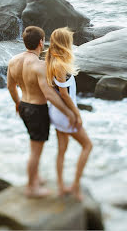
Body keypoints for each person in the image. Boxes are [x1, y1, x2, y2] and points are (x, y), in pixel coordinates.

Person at [7, 25, 76, 198]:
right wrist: (68, 112)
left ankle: (35, 177)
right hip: (37, 109)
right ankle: (31, 188)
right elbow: (49, 95)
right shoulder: (39, 66)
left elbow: (10, 86)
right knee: (36, 151)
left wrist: (17, 103)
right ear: (41, 42)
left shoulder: (13, 60)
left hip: (24, 105)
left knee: (33, 145)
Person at [46, 27, 93, 201]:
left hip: (57, 113)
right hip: (65, 114)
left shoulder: (52, 61)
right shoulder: (60, 65)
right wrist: (76, 114)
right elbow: (64, 95)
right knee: (88, 146)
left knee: (61, 151)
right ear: (65, 43)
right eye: (69, 41)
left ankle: (60, 186)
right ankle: (75, 186)